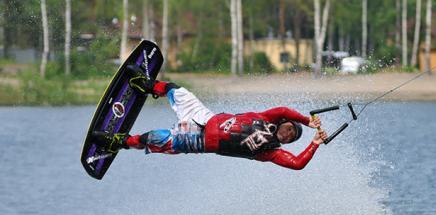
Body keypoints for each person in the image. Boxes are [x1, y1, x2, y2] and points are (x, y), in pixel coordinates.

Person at [94, 66, 328, 170]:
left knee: (152, 137)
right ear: (283, 123)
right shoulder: (268, 117)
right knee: (178, 90)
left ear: (286, 143)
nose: (288, 133)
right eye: (289, 128)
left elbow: (297, 164)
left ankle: (119, 142)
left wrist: (314, 144)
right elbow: (286, 111)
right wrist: (307, 122)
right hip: (205, 116)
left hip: (198, 141)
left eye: (291, 137)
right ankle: (144, 85)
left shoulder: (269, 152)